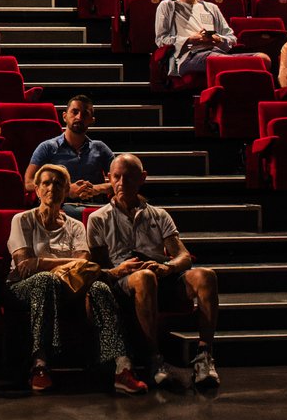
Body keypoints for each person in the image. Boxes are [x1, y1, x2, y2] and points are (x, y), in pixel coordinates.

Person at [86, 154, 221, 389]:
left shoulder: (159, 215)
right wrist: (120, 269)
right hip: (124, 282)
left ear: (142, 178)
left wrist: (166, 267)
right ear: (109, 178)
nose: (121, 183)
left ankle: (204, 355)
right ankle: (154, 358)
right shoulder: (98, 218)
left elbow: (183, 256)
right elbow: (98, 269)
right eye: (116, 177)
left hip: (161, 275)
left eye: (128, 177)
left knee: (206, 275)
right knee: (144, 277)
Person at [7, 164, 137, 394]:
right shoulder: (22, 220)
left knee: (99, 287)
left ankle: (121, 366)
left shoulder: (76, 226)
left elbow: (83, 264)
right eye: (46, 183)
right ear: (36, 189)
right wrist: (64, 263)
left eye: (58, 183)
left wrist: (41, 261)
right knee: (45, 280)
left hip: (70, 288)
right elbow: (24, 265)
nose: (51, 188)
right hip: (24, 289)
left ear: (67, 190)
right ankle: (39, 365)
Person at [154, 0, 235, 82]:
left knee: (262, 58)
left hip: (214, 52)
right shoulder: (168, 6)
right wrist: (190, 39)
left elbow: (231, 38)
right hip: (186, 56)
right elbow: (161, 40)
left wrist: (218, 39)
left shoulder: (211, 8)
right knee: (218, 60)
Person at [24, 95, 114, 200]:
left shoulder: (101, 148)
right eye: (74, 112)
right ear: (64, 116)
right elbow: (29, 183)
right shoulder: (47, 147)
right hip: (59, 207)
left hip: (95, 208)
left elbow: (122, 182)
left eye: (85, 114)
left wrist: (96, 189)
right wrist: (66, 190)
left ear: (92, 120)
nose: (79, 117)